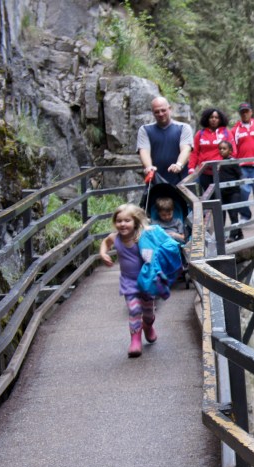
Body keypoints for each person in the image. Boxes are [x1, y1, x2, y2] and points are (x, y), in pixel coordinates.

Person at [99, 203, 158, 358]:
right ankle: (135, 341)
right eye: (119, 221)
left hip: (146, 282)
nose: (122, 224)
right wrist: (103, 253)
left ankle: (148, 326)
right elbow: (105, 242)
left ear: (135, 222)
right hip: (128, 282)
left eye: (127, 220)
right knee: (134, 310)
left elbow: (157, 241)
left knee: (148, 313)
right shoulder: (115, 238)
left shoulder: (141, 236)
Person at [136, 96, 193, 185]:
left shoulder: (183, 128)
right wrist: (149, 167)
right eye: (157, 112)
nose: (161, 114)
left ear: (169, 109)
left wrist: (179, 165)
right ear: (152, 113)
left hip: (181, 180)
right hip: (155, 181)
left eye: (163, 110)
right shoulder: (145, 130)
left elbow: (186, 149)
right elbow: (144, 151)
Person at [188, 108, 234, 193]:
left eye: (216, 117)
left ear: (220, 120)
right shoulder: (200, 134)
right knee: (208, 197)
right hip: (204, 173)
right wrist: (191, 168)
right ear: (207, 119)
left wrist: (226, 165)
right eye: (211, 117)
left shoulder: (226, 133)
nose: (214, 119)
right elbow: (194, 153)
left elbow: (233, 151)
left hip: (221, 172)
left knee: (222, 196)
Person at [216, 140, 250, 242]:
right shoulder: (220, 162)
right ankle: (239, 234)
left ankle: (232, 236)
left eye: (224, 149)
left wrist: (242, 185)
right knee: (225, 214)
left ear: (230, 150)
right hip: (223, 192)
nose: (222, 151)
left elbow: (240, 175)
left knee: (233, 214)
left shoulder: (233, 162)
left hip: (234, 192)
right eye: (220, 149)